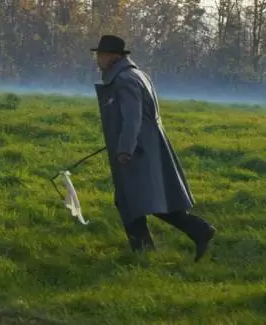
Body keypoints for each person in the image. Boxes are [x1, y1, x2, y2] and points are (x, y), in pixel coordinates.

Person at [91, 34, 216, 260]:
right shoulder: (137, 74)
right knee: (142, 198)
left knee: (131, 199)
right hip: (145, 146)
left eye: (100, 55)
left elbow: (132, 118)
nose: (97, 60)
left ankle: (151, 247)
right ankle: (186, 234)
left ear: (113, 57)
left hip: (137, 150)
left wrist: (125, 148)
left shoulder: (124, 79)